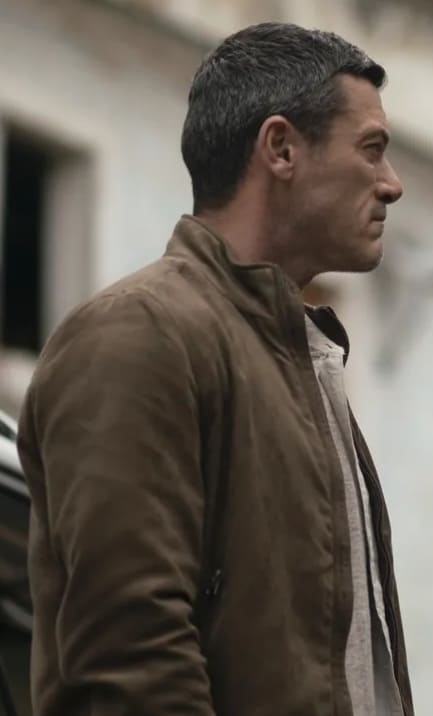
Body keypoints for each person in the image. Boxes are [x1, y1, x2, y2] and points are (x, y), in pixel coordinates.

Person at [17, 22, 411, 715]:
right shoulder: (140, 333)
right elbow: (129, 654)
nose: (392, 184)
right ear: (281, 148)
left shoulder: (301, 358)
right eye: (372, 149)